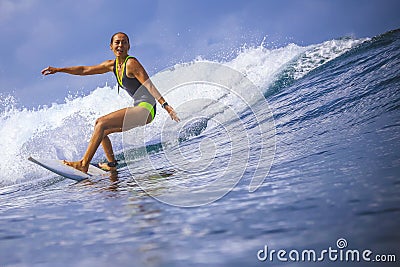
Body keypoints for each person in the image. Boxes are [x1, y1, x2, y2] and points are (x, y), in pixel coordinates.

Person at [41, 32, 180, 173]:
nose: (120, 45)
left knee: (102, 123)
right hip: (139, 107)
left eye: (124, 42)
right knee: (100, 129)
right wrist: (59, 70)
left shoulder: (131, 63)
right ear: (111, 46)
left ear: (129, 46)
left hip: (146, 108)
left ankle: (83, 164)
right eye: (117, 42)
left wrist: (165, 105)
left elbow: (149, 85)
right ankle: (112, 165)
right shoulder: (111, 65)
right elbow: (84, 70)